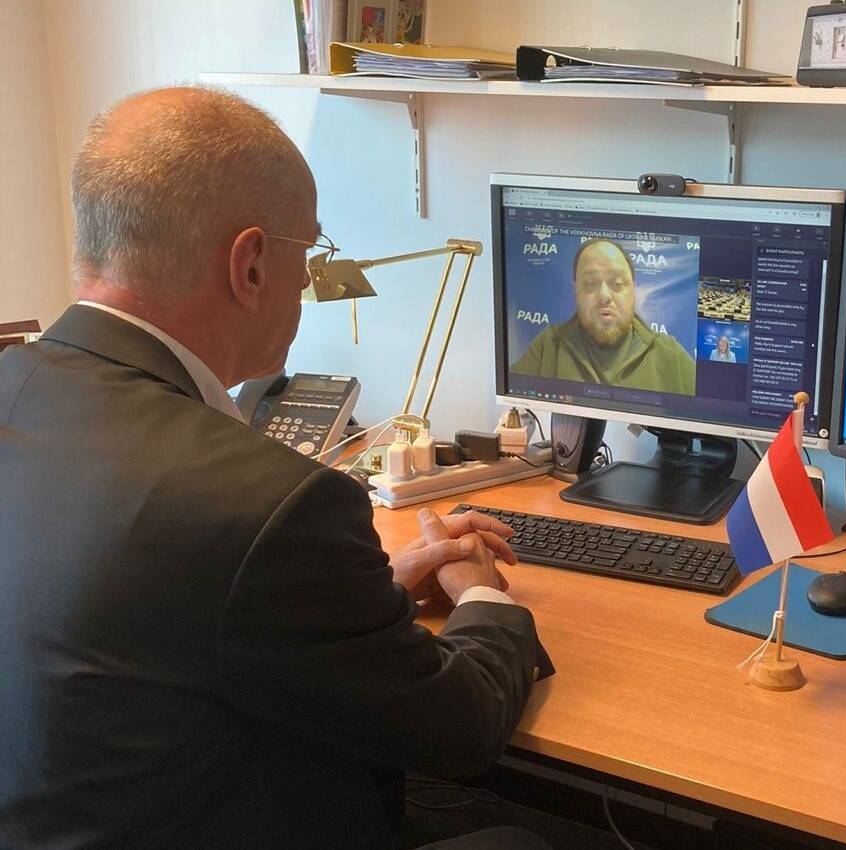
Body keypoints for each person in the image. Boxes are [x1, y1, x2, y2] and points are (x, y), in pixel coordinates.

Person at [0, 87, 552, 850]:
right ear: (252, 265)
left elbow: (157, 613)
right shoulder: (268, 505)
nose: (308, 281)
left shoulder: (21, 393)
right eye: (309, 251)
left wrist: (367, 593)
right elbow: (460, 729)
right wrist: (484, 595)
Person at [511, 238, 697, 395]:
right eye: (590, 284)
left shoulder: (670, 357)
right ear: (576, 291)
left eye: (617, 283)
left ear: (633, 290)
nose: (604, 296)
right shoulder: (548, 348)